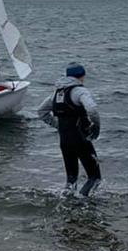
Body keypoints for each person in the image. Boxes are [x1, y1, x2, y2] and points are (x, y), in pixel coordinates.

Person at [38, 62, 102, 197]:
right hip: (81, 139)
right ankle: (84, 203)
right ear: (82, 76)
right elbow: (92, 110)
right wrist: (95, 127)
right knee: (95, 177)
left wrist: (59, 125)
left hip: (64, 140)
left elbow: (41, 111)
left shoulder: (57, 93)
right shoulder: (80, 91)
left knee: (71, 179)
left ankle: (67, 201)